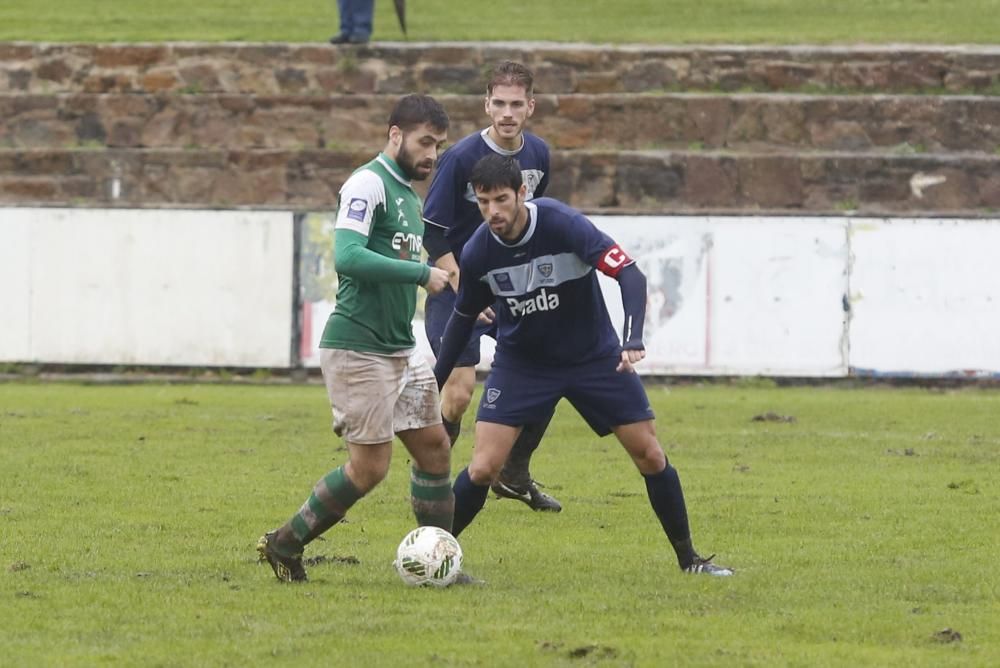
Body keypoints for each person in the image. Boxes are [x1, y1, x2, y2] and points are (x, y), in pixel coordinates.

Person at [433, 154, 733, 576]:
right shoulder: (480, 248)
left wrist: (632, 337)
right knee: (483, 467)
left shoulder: (561, 223)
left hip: (592, 357)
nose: (492, 212)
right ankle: (433, 558)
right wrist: (434, 379)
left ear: (522, 193)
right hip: (523, 364)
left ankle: (691, 561)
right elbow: (463, 318)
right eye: (483, 203)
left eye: (501, 200)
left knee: (649, 453)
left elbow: (629, 274)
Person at [257, 94, 456, 583]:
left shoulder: (409, 195)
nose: (431, 154)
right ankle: (285, 543)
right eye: (424, 142)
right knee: (369, 469)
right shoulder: (368, 184)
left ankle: (440, 562)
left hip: (398, 348)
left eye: (439, 146)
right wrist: (419, 272)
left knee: (434, 449)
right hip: (357, 347)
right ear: (395, 135)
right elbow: (347, 256)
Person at [422, 61, 562, 512]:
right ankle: (434, 478)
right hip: (457, 290)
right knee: (459, 391)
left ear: (530, 107)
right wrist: (466, 289)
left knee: (549, 372)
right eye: (498, 103)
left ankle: (513, 473)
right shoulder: (461, 158)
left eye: (515, 104)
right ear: (486, 105)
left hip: (512, 291)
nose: (506, 112)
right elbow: (432, 232)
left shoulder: (538, 154)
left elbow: (536, 223)